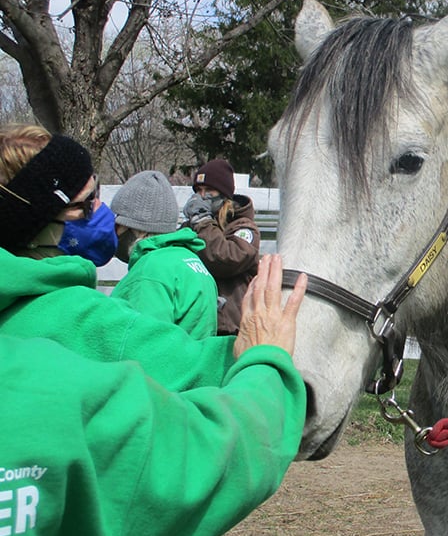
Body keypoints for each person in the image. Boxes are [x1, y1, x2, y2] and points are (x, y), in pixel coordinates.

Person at [0, 253, 311, 536]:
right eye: (84, 205)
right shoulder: (190, 262)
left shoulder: (151, 270)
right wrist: (261, 360)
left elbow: (143, 346)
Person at [1, 124, 234, 391]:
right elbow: (175, 364)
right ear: (32, 224)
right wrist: (258, 351)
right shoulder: (83, 317)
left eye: (98, 193)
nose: (104, 212)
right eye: (87, 203)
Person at [110, 169, 219, 338]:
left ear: (133, 226)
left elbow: (139, 343)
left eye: (117, 225)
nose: (115, 232)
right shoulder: (188, 259)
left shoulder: (150, 271)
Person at [0, 124, 116, 266]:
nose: (100, 207)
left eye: (95, 192)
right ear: (31, 234)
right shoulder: (70, 289)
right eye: (85, 203)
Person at [182, 159, 261, 335]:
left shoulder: (244, 227)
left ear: (224, 195)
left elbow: (227, 257)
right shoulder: (193, 226)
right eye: (199, 191)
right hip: (196, 326)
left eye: (209, 190)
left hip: (232, 329)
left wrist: (203, 222)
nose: (202, 197)